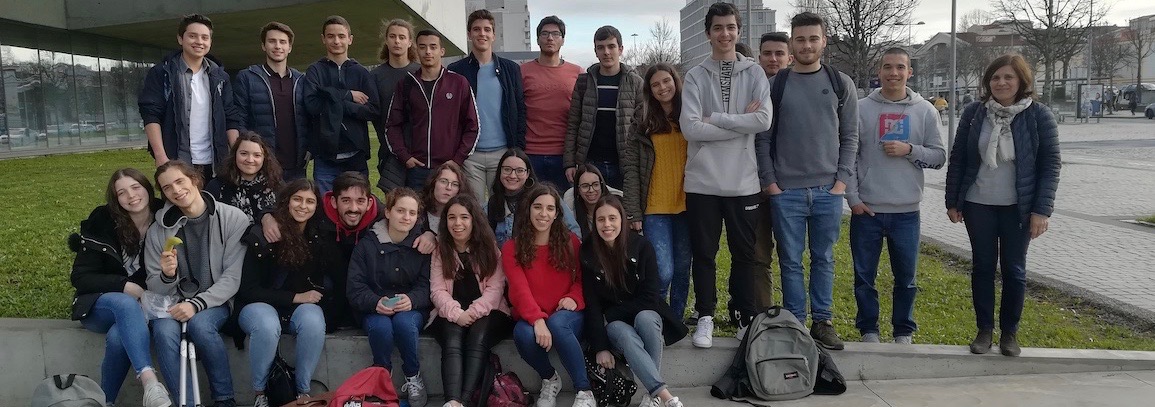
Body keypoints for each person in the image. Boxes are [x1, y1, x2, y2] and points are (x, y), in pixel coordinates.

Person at [945, 54, 1060, 357]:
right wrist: (953, 201)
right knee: (982, 267)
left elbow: (1050, 165)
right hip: (978, 204)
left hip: (1018, 208)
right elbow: (959, 158)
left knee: (1014, 269)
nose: (1001, 82)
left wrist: (1041, 210)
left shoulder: (1039, 115)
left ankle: (1009, 333)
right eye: (995, 77)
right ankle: (984, 330)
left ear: (1022, 81)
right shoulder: (974, 113)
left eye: (1009, 77)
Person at [756, 11, 858, 350]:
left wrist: (841, 182)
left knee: (824, 258)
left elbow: (850, 136)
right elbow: (763, 139)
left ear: (823, 41)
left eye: (813, 38)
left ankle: (823, 321)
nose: (807, 45)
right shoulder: (776, 85)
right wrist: (772, 183)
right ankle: (796, 322)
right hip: (786, 192)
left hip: (828, 191)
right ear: (792, 42)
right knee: (790, 261)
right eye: (800, 39)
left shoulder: (841, 83)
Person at [680, 2, 773, 348]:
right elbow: (690, 128)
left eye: (731, 27)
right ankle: (705, 316)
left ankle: (745, 318)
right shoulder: (695, 75)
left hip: (743, 181)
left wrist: (717, 119)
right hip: (702, 182)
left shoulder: (755, 73)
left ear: (739, 31)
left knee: (744, 255)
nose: (725, 34)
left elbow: (763, 120)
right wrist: (739, 125)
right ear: (708, 33)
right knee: (704, 254)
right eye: (718, 28)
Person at [846, 48, 946, 345]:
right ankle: (869, 330)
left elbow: (939, 157)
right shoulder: (861, 109)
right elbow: (848, 156)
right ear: (879, 72)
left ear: (909, 72)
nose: (894, 73)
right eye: (888, 67)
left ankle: (903, 331)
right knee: (864, 277)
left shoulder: (925, 111)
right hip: (867, 210)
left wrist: (910, 150)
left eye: (900, 67)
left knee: (906, 278)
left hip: (906, 212)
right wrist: (853, 198)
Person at [145, 160, 250, 407]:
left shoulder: (232, 218)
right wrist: (167, 275)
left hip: (216, 300)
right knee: (163, 332)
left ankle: (224, 399)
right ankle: (187, 403)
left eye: (180, 181)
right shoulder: (157, 231)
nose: (176, 190)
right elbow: (154, 285)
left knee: (201, 326)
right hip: (174, 302)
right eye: (167, 188)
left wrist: (196, 304)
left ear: (194, 179)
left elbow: (232, 277)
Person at [69, 168, 172, 407]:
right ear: (116, 199)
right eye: (122, 192)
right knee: (124, 303)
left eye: (136, 187)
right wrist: (123, 285)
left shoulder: (165, 217)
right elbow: (81, 277)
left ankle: (106, 402)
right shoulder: (102, 221)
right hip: (99, 305)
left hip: (146, 307)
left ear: (147, 189)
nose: (131, 196)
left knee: (118, 337)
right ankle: (150, 383)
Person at [581, 195, 689, 407]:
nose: (607, 224)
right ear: (595, 222)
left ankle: (653, 395)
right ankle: (665, 397)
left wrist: (612, 313)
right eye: (601, 219)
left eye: (612, 218)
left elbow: (650, 296)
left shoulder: (641, 246)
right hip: (615, 325)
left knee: (646, 318)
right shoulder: (588, 251)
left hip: (641, 312)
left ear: (622, 220)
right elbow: (591, 302)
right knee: (625, 334)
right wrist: (601, 347)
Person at [234, 179, 327, 407]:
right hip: (255, 306)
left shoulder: (317, 236)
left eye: (310, 201)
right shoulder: (263, 234)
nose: (303, 206)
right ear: (286, 201)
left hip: (294, 311)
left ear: (317, 206)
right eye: (297, 199)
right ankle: (260, 393)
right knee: (267, 325)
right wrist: (296, 297)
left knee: (313, 320)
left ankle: (303, 392)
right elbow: (248, 290)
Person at [501, 184, 594, 407]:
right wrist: (537, 319)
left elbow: (584, 280)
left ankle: (584, 390)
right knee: (522, 334)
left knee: (558, 323)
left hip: (566, 314)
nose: (543, 214)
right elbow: (519, 289)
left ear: (556, 213)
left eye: (550, 208)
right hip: (533, 314)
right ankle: (550, 378)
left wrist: (574, 297)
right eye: (538, 207)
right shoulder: (511, 248)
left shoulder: (571, 242)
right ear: (528, 209)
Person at [347, 187, 432, 406]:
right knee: (381, 327)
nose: (406, 217)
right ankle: (382, 377)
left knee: (404, 324)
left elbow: (427, 285)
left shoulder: (422, 246)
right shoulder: (367, 245)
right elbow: (355, 287)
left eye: (412, 213)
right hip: (374, 307)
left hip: (411, 307)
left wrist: (412, 300)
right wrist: (375, 302)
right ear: (388, 212)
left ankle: (412, 375)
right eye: (400, 211)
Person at [429, 195, 513, 407]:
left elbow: (495, 289)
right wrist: (457, 314)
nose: (457, 223)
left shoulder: (489, 249)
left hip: (490, 312)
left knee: (478, 334)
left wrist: (473, 313)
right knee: (452, 336)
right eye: (452, 217)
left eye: (464, 217)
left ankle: (464, 402)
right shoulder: (440, 250)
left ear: (474, 220)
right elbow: (437, 290)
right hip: (450, 312)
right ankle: (452, 401)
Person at [624, 63, 693, 321]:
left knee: (683, 269)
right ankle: (655, 318)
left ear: (675, 81)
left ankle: (675, 321)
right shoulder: (642, 120)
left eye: (666, 81)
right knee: (662, 271)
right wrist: (633, 212)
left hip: (687, 205)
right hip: (654, 208)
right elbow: (631, 169)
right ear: (649, 90)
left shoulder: (690, 113)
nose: (662, 88)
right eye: (655, 84)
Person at [138, 14, 242, 181]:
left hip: (215, 162)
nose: (199, 41)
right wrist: (160, 156)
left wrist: (237, 155)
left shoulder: (220, 77)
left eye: (205, 37)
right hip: (177, 160)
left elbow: (230, 117)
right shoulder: (163, 73)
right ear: (180, 39)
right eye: (192, 36)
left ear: (210, 42)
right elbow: (151, 115)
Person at [385, 29, 480, 191]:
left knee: (449, 208)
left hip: (448, 169)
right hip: (416, 170)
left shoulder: (458, 83)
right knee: (417, 208)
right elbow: (392, 125)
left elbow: (473, 126)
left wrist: (457, 160)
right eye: (422, 47)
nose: (428, 51)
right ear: (416, 50)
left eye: (433, 47)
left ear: (441, 51)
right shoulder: (407, 84)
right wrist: (405, 157)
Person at [449, 9, 527, 201]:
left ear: (493, 35)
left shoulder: (511, 69)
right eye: (476, 29)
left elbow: (520, 109)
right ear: (469, 34)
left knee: (502, 207)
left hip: (503, 153)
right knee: (473, 208)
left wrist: (517, 149)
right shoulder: (456, 71)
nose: (482, 34)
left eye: (487, 29)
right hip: (470, 155)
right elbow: (450, 116)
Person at [302, 15, 380, 195]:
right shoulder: (315, 70)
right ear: (323, 39)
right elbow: (312, 105)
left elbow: (373, 110)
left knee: (357, 206)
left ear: (350, 39)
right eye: (331, 36)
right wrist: (348, 96)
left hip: (355, 156)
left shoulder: (361, 72)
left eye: (341, 36)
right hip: (325, 157)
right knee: (326, 207)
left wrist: (334, 100)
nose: (336, 41)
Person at [564, 25, 644, 190]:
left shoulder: (635, 83)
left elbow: (642, 127)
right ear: (595, 52)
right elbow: (573, 125)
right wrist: (570, 163)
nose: (606, 52)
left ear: (620, 49)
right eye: (601, 47)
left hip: (624, 166)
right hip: (591, 164)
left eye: (611, 46)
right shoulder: (584, 82)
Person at [233, 22, 309, 181]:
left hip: (296, 166)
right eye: (272, 41)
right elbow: (240, 119)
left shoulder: (301, 80)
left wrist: (309, 150)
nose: (277, 46)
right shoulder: (247, 77)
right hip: (262, 165)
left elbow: (310, 119)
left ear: (290, 47)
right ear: (263, 46)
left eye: (283, 42)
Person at [751, 32, 792, 313]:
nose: (773, 59)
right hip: (753, 186)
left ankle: (792, 317)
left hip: (790, 185)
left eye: (779, 53)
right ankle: (763, 314)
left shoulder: (798, 90)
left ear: (789, 57)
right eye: (767, 53)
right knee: (757, 255)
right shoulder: (750, 90)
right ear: (759, 57)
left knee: (791, 257)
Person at [522, 16, 583, 190]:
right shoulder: (522, 72)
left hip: (565, 157)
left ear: (562, 40)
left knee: (565, 204)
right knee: (530, 203)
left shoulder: (578, 73)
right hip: (530, 154)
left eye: (555, 34)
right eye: (545, 34)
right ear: (537, 39)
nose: (550, 38)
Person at [487, 148, 581, 247]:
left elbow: (574, 232)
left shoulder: (544, 196)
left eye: (520, 170)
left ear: (527, 173)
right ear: (500, 171)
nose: (513, 175)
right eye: (507, 169)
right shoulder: (494, 202)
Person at [371, 18, 421, 193]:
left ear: (410, 42)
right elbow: (373, 113)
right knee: (395, 204)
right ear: (386, 40)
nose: (397, 41)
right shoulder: (376, 76)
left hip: (419, 153)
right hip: (389, 154)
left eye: (402, 37)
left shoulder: (421, 72)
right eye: (392, 36)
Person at [205, 132, 282, 222]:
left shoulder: (276, 185)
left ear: (264, 158)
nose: (250, 160)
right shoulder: (216, 186)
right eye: (244, 153)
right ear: (234, 155)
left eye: (257, 155)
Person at [563, 163, 623, 239]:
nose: (591, 190)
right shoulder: (571, 206)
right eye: (585, 186)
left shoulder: (617, 202)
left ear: (601, 185)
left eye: (595, 184)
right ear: (578, 190)